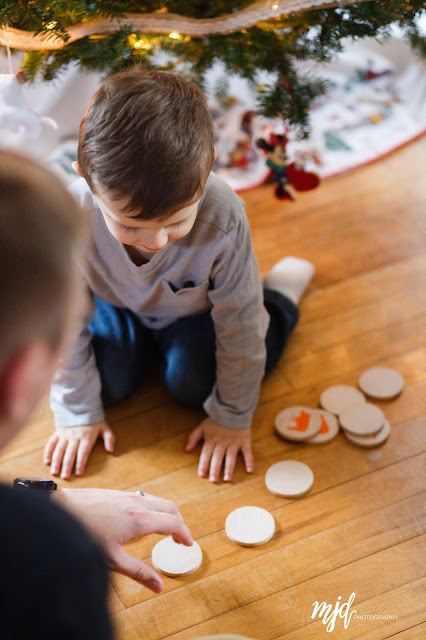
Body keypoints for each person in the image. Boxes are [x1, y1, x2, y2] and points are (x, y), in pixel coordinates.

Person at [45, 68, 315, 483]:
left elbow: (240, 322)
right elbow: (61, 321)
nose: (155, 241)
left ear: (208, 169)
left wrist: (232, 417)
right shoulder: (69, 214)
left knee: (192, 387)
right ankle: (151, 352)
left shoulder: (223, 212)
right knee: (108, 388)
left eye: (177, 221)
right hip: (118, 305)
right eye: (130, 225)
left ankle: (278, 299)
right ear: (87, 178)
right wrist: (77, 412)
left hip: (197, 313)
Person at [0, 150, 194, 638]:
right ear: (21, 376)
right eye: (73, 325)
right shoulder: (48, 563)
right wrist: (48, 524)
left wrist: (52, 503)